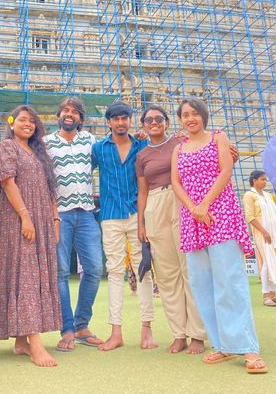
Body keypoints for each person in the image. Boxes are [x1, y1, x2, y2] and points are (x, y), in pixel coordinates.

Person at [171, 97, 267, 374]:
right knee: (203, 285)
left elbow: (225, 171)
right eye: (185, 115)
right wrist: (193, 208)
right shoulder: (179, 148)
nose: (190, 118)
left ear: (203, 115)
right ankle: (223, 345)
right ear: (180, 120)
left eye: (195, 114)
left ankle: (247, 347)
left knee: (230, 281)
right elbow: (176, 182)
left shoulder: (218, 137)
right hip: (192, 220)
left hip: (221, 214)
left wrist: (204, 205)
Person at [0, 105, 61, 367]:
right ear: (11, 123)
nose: (28, 124)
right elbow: (8, 182)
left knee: (32, 273)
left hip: (41, 218)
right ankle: (36, 344)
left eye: (32, 121)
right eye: (22, 120)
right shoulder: (7, 147)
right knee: (26, 274)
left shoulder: (40, 152)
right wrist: (25, 216)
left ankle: (21, 341)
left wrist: (55, 219)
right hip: (17, 218)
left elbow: (49, 189)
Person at [136, 106, 206, 354]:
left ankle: (197, 334)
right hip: (154, 206)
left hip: (181, 201)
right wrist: (141, 223)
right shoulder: (142, 154)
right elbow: (142, 190)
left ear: (167, 122)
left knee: (190, 268)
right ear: (143, 125)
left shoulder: (180, 142)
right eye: (148, 120)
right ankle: (178, 334)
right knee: (167, 276)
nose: (153, 123)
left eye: (158, 119)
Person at [92, 101, 158, 351]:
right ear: (108, 122)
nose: (120, 122)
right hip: (109, 215)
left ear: (130, 121)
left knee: (143, 270)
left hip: (138, 215)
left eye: (125, 118)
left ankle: (146, 329)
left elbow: (165, 148)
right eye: (115, 118)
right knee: (115, 272)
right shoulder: (98, 148)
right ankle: (115, 332)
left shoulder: (142, 145)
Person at [44, 97, 104, 352]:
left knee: (94, 269)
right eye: (66, 111)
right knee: (59, 273)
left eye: (75, 112)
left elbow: (114, 151)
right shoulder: (46, 143)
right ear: (58, 115)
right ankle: (66, 329)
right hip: (60, 214)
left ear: (81, 118)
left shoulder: (90, 141)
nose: (70, 115)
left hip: (87, 213)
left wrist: (141, 137)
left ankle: (82, 326)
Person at [243, 170, 276, 307]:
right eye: (262, 179)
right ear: (254, 180)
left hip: (273, 231)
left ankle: (273, 293)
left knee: (273, 261)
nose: (265, 182)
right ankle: (265, 294)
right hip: (261, 233)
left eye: (266, 179)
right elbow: (250, 217)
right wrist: (264, 232)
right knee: (267, 261)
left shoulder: (268, 195)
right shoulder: (249, 195)